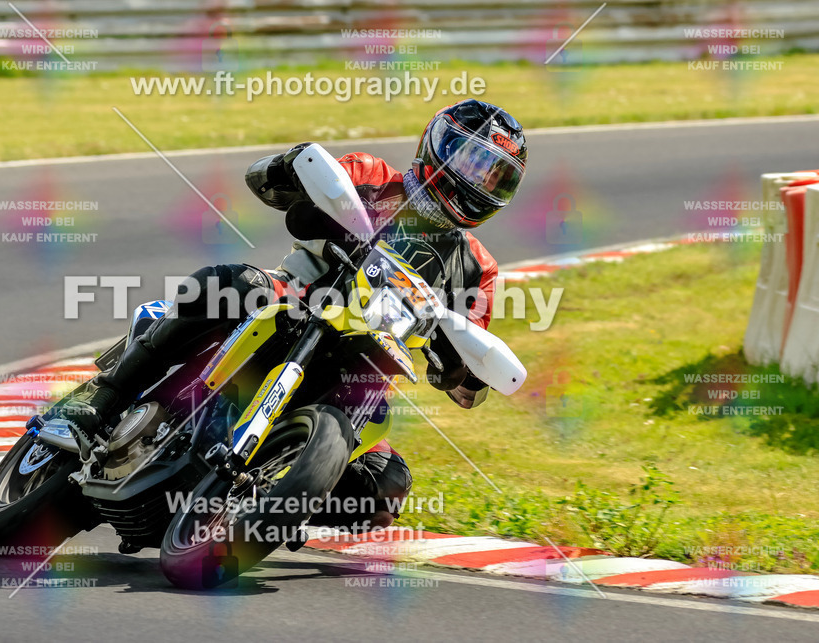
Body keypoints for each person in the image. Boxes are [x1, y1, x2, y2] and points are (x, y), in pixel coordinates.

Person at [64, 99, 527, 530]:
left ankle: (266, 503)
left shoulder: (477, 267)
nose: (479, 181)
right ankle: (102, 400)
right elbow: (270, 180)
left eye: (495, 177)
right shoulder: (371, 176)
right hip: (295, 301)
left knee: (388, 484)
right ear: (438, 148)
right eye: (474, 163)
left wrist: (457, 367)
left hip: (362, 370)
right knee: (232, 283)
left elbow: (469, 380)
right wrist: (291, 170)